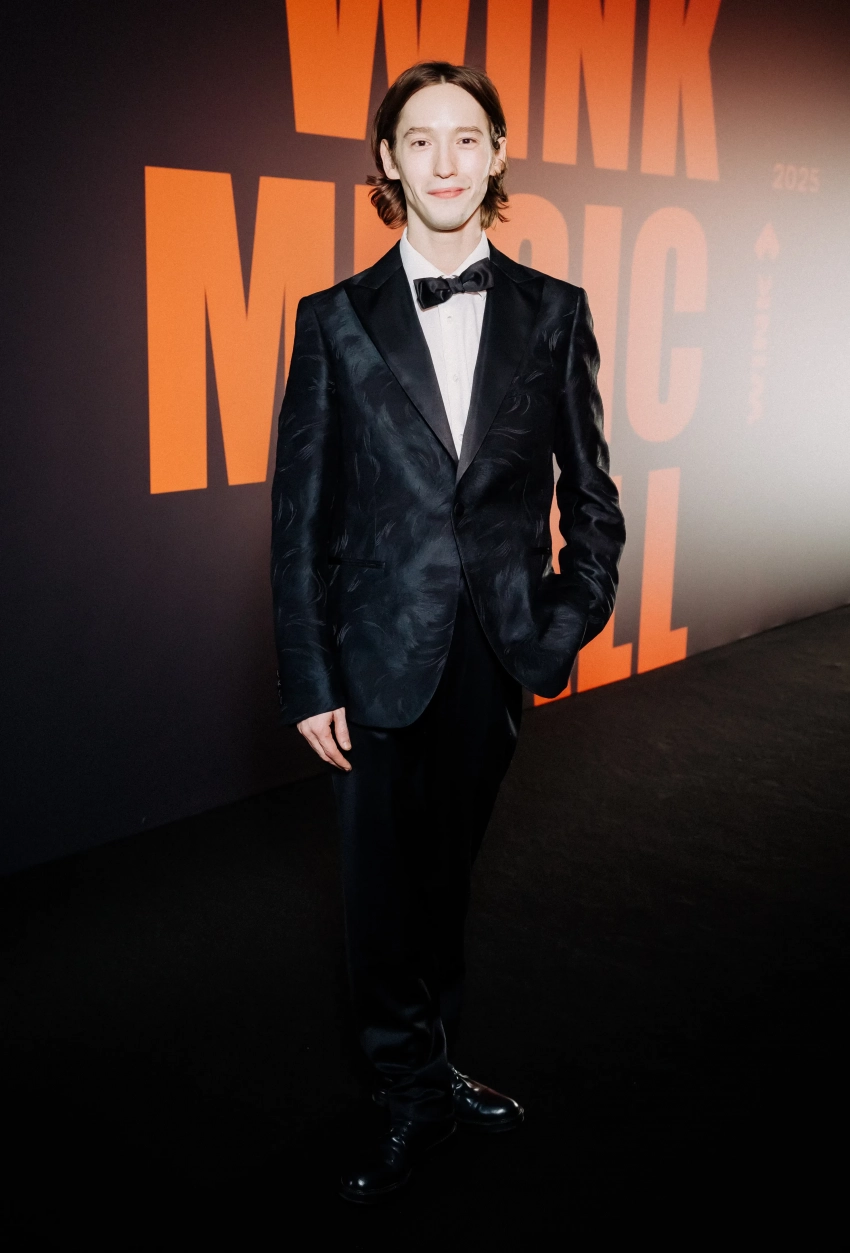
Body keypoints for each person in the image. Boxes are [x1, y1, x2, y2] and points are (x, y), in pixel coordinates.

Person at [271, 60, 625, 1204]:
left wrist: (559, 625)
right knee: (379, 893)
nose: (442, 160)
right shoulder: (331, 321)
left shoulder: (555, 310)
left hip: (498, 653)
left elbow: (595, 500)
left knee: (443, 881)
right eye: (418, 139)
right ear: (387, 160)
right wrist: (307, 672)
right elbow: (299, 516)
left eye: (465, 137)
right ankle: (409, 1090)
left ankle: (430, 1059)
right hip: (374, 655)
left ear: (498, 154)